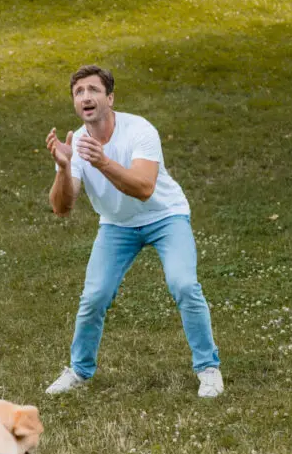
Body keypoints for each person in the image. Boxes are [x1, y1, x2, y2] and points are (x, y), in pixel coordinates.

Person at [45, 65, 223, 398]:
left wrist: (101, 163)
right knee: (94, 296)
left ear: (109, 98)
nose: (86, 96)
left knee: (184, 284)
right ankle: (80, 372)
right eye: (79, 92)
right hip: (117, 226)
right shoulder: (79, 144)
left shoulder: (139, 130)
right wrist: (63, 168)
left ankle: (208, 369)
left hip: (165, 216)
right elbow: (62, 208)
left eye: (94, 90)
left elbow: (143, 188)